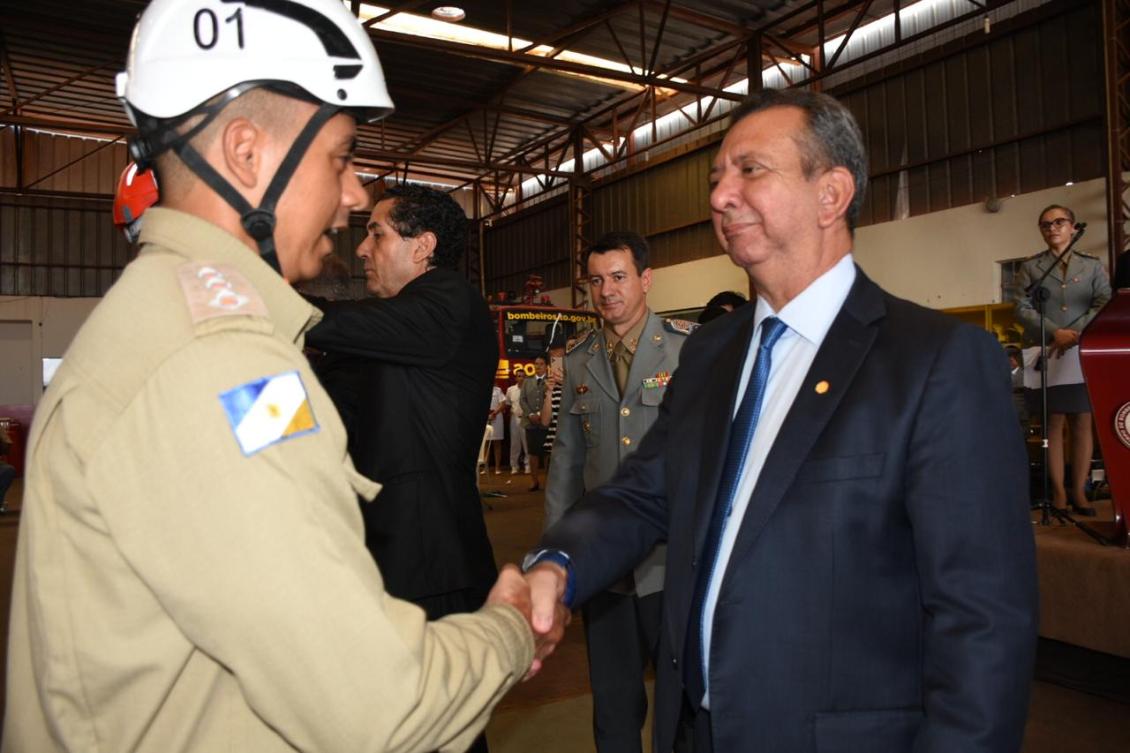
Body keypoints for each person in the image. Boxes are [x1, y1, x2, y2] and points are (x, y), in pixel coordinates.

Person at [3, 2, 566, 751]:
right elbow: (376, 704)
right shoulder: (222, 358)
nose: (355, 192)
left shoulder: (169, 318)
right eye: (339, 156)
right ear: (247, 154)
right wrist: (507, 632)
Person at [524, 88, 1038, 753]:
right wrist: (558, 563)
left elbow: (984, 623)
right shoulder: (712, 353)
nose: (719, 195)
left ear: (832, 194)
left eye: (750, 170)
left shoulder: (935, 362)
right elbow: (643, 491)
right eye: (717, 178)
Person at [303, 186, 502, 651]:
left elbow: (343, 323)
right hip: (386, 557)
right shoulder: (393, 334)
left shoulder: (450, 302)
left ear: (423, 246)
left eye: (377, 234)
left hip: (432, 560)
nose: (362, 249)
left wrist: (250, 297)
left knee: (446, 717)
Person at [542, 231, 692, 753]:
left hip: (670, 566)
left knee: (686, 708)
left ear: (646, 279)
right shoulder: (581, 359)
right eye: (596, 280)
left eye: (619, 277)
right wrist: (559, 559)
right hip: (604, 569)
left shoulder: (687, 349)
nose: (606, 291)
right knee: (613, 707)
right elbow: (566, 464)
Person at [1013, 204, 1111, 516]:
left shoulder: (1092, 266)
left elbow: (1104, 301)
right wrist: (1055, 333)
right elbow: (1021, 307)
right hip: (1046, 348)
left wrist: (1076, 333)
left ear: (1072, 226)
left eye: (1059, 222)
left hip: (1081, 349)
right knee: (1052, 422)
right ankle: (1058, 495)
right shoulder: (1032, 267)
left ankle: (1079, 492)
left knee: (1082, 420)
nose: (1052, 228)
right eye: (1045, 224)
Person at [520, 355, 550, 491]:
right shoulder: (527, 381)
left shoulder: (552, 381)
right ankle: (534, 481)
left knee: (548, 453)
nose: (538, 366)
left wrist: (541, 414)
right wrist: (531, 414)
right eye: (536, 364)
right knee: (533, 453)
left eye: (541, 364)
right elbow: (523, 400)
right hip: (531, 423)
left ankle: (550, 482)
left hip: (547, 422)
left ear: (546, 366)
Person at [506, 372, 530, 474]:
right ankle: (514, 466)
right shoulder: (510, 390)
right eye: (519, 376)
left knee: (526, 443)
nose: (521, 378)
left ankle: (528, 465)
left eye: (523, 376)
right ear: (516, 378)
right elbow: (508, 404)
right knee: (515, 443)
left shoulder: (529, 389)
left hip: (526, 418)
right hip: (514, 419)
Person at [488, 382, 506, 474]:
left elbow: (503, 403)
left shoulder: (498, 390)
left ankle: (497, 468)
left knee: (497, 443)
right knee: (485, 444)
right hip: (485, 419)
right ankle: (485, 467)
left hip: (496, 417)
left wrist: (494, 413)